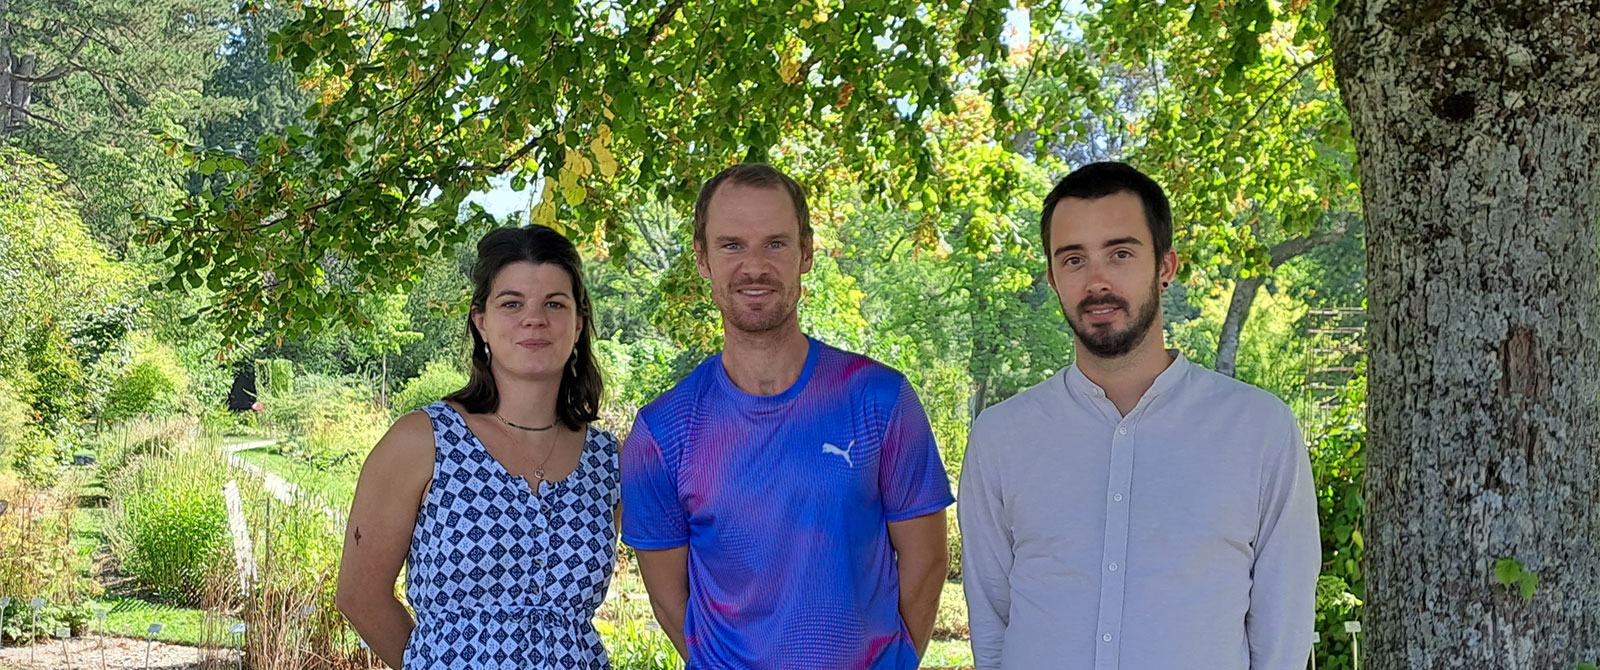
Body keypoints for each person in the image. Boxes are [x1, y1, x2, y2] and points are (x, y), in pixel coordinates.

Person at [959, 161, 1320, 669]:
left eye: (1120, 254)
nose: (1097, 281)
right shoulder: (1001, 438)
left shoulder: (1259, 431)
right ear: (1054, 279)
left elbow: (1282, 632)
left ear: (1165, 267)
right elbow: (992, 621)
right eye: (1074, 259)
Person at [621, 163, 953, 669]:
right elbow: (670, 601)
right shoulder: (662, 432)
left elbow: (926, 563)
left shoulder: (880, 400)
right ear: (703, 259)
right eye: (732, 245)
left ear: (807, 252)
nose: (754, 266)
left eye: (775, 243)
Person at [336, 225, 620, 669]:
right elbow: (360, 595)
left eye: (554, 303)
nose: (534, 318)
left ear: (578, 323)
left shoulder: (608, 460)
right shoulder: (423, 441)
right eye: (512, 303)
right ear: (481, 321)